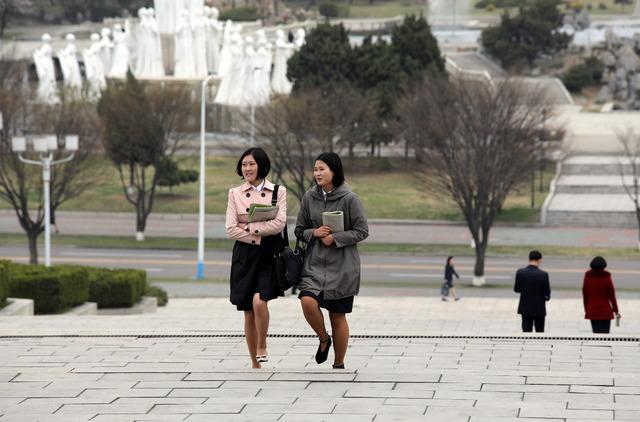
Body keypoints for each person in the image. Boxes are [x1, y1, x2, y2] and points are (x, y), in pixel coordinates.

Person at [294, 152, 369, 369]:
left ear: (334, 171)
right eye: (315, 169)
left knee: (338, 316)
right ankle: (323, 338)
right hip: (314, 265)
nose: (317, 173)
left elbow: (362, 231)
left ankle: (338, 364)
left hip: (343, 268)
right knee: (307, 301)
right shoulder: (309, 197)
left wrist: (334, 238)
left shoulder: (350, 198)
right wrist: (314, 233)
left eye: (322, 169)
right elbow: (299, 230)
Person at [225, 147, 287, 369]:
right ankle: (254, 362)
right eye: (244, 164)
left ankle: (262, 343)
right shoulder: (235, 193)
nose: (247, 168)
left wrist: (249, 226)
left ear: (261, 165)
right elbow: (231, 229)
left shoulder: (277, 191)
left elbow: (279, 223)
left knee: (259, 301)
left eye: (251, 164)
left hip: (268, 253)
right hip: (244, 255)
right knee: (247, 311)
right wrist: (260, 229)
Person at [514, 250, 551, 333]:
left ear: (529, 259)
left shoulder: (520, 272)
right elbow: (547, 293)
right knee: (539, 332)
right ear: (540, 260)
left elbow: (516, 289)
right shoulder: (543, 274)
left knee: (526, 332)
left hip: (525, 307)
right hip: (539, 308)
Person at [582, 256, 620, 334]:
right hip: (605, 311)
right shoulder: (607, 278)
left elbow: (585, 295)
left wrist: (586, 309)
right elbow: (612, 296)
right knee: (605, 335)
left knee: (596, 334)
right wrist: (616, 310)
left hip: (592, 310)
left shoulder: (587, 277)